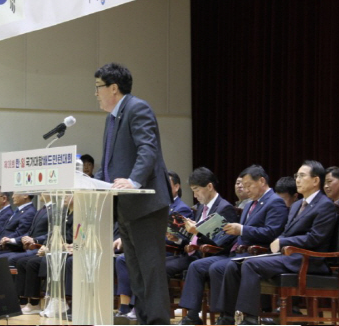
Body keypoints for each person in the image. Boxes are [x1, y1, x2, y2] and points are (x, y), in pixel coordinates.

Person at [93, 62, 173, 325]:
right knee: (136, 270)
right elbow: (109, 164)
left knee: (150, 269)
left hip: (146, 204)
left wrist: (134, 180)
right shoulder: (111, 118)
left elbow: (147, 150)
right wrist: (91, 183)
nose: (96, 93)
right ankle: (145, 319)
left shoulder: (137, 108)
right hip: (125, 207)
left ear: (113, 88)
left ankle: (158, 321)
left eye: (98, 87)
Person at [216, 160, 337, 325]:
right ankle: (228, 317)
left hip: (308, 259)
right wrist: (279, 242)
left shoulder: (325, 205)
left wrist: (282, 241)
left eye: (302, 176)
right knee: (234, 265)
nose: (297, 180)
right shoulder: (295, 206)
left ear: (315, 180)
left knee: (250, 265)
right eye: (297, 176)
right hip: (288, 256)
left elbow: (315, 238)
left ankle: (249, 318)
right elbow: (285, 232)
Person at [178, 165, 288, 325]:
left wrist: (242, 230)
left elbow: (272, 232)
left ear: (262, 181)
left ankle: (232, 315)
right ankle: (216, 315)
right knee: (199, 266)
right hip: (236, 252)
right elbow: (233, 236)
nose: (246, 189)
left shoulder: (275, 202)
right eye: (244, 185)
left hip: (257, 253)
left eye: (249, 185)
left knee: (221, 267)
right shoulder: (250, 204)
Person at [115, 170, 193, 319]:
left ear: (176, 187)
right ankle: (125, 306)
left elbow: (184, 238)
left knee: (148, 264)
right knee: (123, 259)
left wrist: (172, 237)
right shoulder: (155, 205)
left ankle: (137, 306)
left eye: (166, 184)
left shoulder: (181, 208)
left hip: (172, 251)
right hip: (151, 246)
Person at [164, 167, 239, 280]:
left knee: (164, 267)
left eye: (197, 190)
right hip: (191, 254)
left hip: (207, 256)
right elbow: (193, 238)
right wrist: (177, 239)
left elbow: (222, 243)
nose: (195, 195)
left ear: (209, 186)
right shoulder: (200, 207)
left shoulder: (224, 208)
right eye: (193, 191)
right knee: (157, 265)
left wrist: (197, 231)